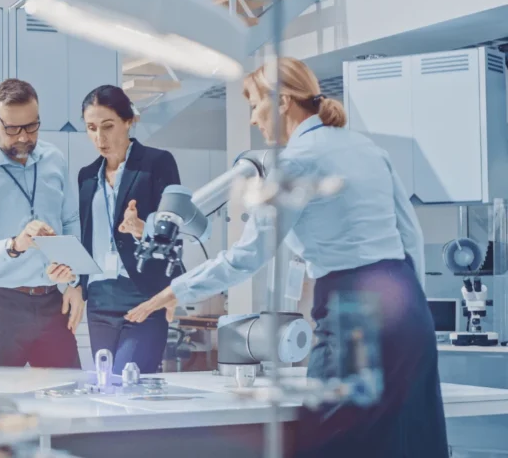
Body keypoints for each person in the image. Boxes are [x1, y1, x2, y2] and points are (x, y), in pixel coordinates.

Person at [126, 58, 448, 457]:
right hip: (408, 305)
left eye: (254, 105)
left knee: (327, 443)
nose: (253, 120)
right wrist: (413, 303)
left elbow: (248, 255)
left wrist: (172, 292)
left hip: (355, 311)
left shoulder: (293, 162)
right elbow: (409, 234)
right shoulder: (366, 146)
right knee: (408, 443)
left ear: (281, 103)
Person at [0, 78, 84, 368]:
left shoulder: (54, 160)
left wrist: (75, 281)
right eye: (12, 128)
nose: (24, 138)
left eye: (32, 126)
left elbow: (70, 220)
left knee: (71, 397)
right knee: (3, 405)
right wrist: (13, 246)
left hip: (51, 302)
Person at [75, 85, 181, 375]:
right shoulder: (86, 176)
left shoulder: (157, 163)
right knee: (106, 383)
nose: (100, 137)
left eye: (108, 126)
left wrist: (142, 228)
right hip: (99, 298)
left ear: (128, 121)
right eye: (92, 128)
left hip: (143, 294)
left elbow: (174, 225)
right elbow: (85, 235)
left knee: (129, 384)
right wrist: (76, 284)